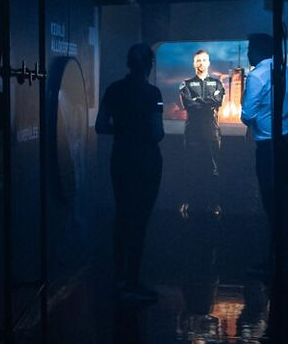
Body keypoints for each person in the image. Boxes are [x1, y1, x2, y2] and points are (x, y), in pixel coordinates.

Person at [95, 43, 164, 302]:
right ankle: (132, 281)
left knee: (123, 215)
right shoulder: (153, 93)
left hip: (121, 158)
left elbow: (100, 126)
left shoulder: (114, 89)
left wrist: (123, 131)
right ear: (149, 65)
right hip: (146, 161)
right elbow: (157, 133)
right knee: (140, 220)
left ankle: (119, 277)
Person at [240, 33, 288, 273]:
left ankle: (275, 261)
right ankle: (286, 258)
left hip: (269, 147)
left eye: (250, 49)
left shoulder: (257, 75)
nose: (248, 54)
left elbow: (247, 115)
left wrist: (263, 116)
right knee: (285, 202)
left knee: (272, 205)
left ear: (258, 51)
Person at [178, 49, 224, 219]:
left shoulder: (217, 83)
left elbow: (218, 101)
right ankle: (188, 202)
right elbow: (189, 105)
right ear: (193, 64)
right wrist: (208, 102)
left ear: (209, 63)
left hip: (212, 132)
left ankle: (214, 203)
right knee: (191, 168)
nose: (201, 63)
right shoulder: (186, 84)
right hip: (193, 133)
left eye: (204, 60)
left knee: (214, 169)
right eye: (198, 60)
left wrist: (198, 100)